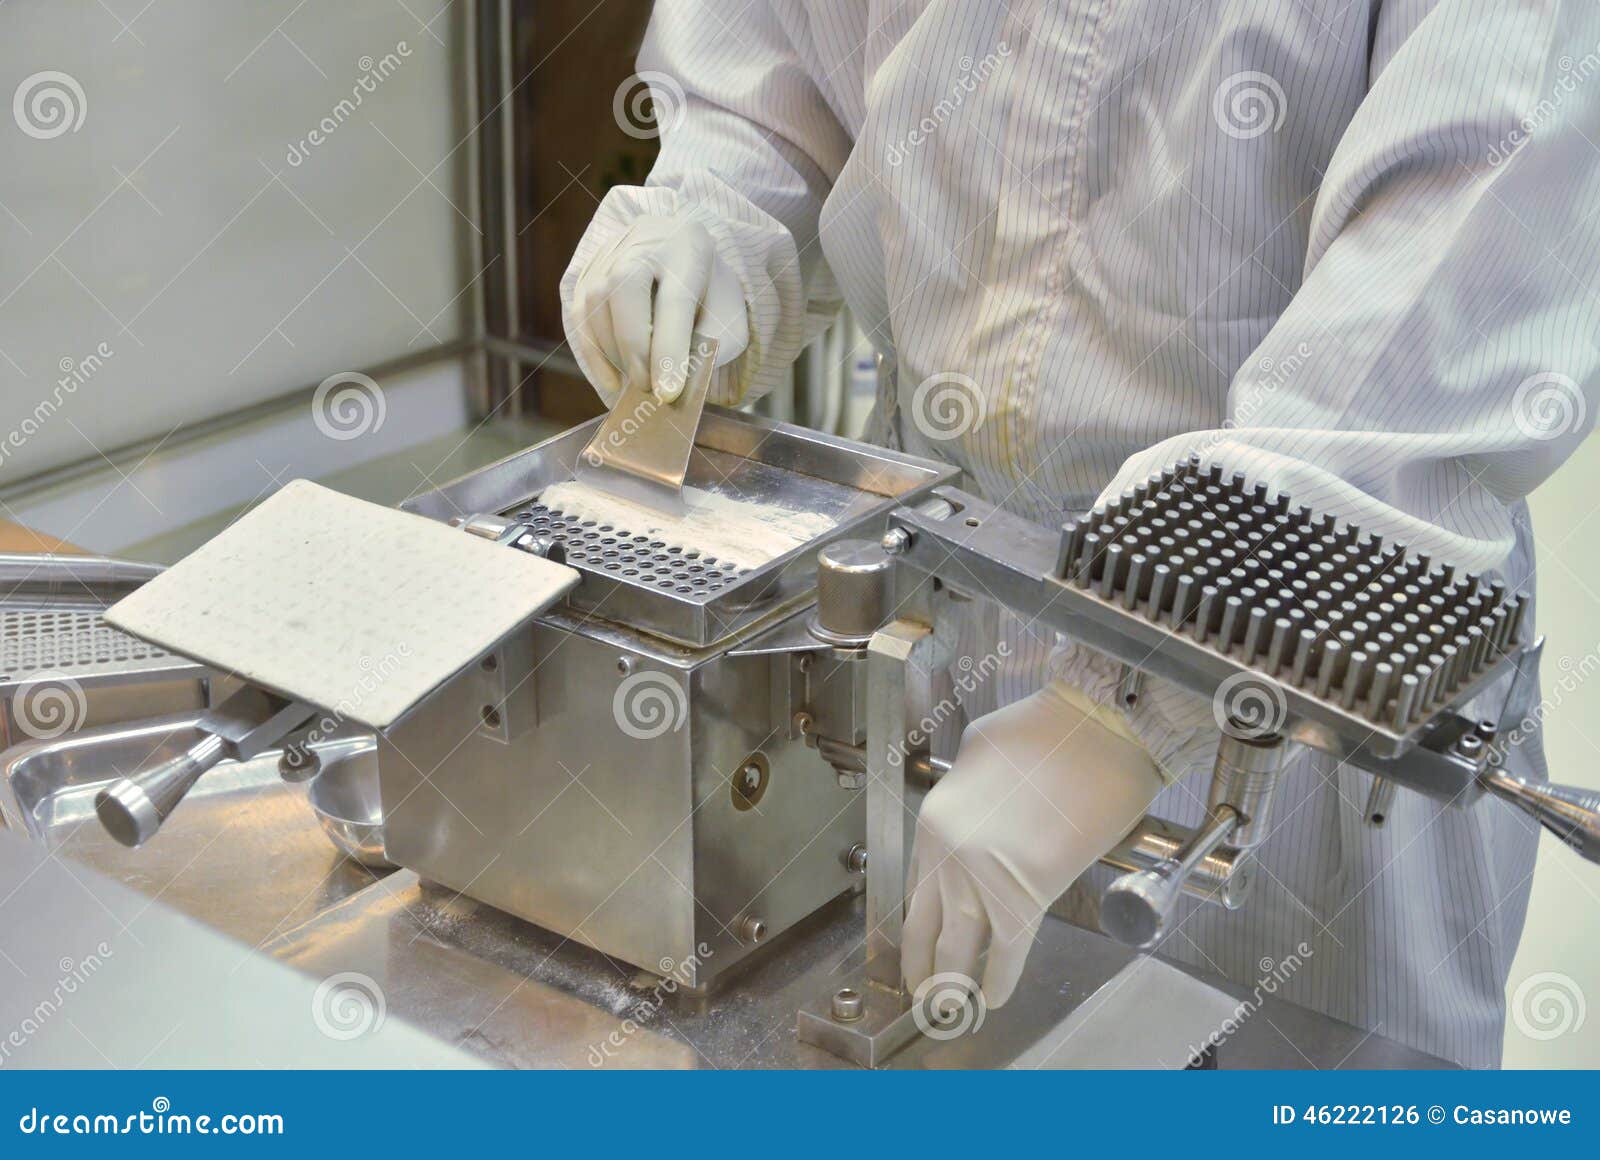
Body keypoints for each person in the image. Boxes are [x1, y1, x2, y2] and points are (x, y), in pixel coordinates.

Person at [561, 1, 1600, 1068]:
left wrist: (1128, 702)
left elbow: (1466, 240)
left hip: (1310, 663)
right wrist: (710, 215)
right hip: (955, 606)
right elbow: (776, 71)